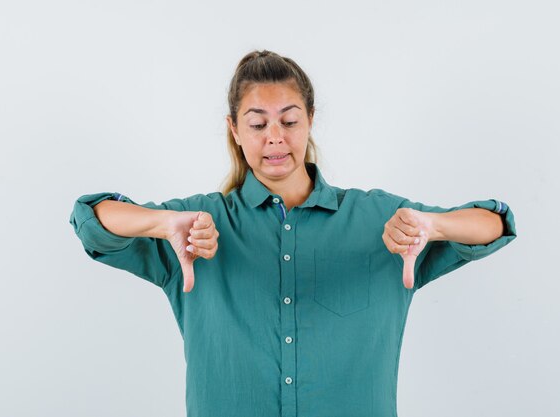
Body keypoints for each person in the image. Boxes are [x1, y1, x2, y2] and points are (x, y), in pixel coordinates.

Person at [69, 50, 517, 417]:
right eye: (258, 123)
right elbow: (90, 218)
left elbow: (495, 223)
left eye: (289, 120)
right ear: (234, 129)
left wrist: (435, 225)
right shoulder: (194, 225)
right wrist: (158, 222)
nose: (275, 138)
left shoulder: (380, 220)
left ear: (310, 119)